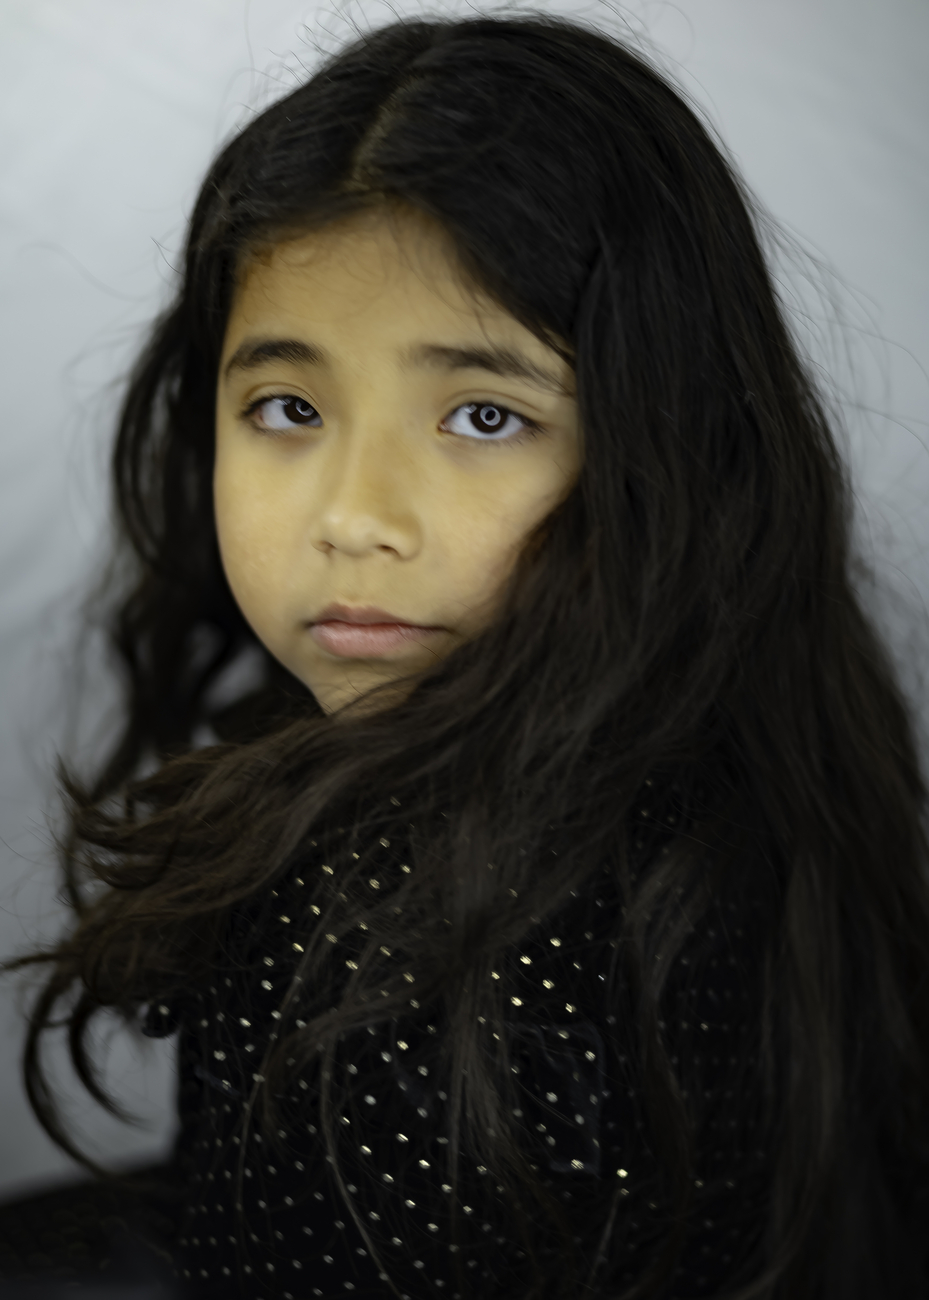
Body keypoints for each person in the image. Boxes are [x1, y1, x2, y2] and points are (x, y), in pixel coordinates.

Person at [5, 11, 929, 1299]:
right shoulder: (744, 750)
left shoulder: (403, 920)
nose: (356, 518)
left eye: (484, 416)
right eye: (290, 407)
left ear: (657, 448)